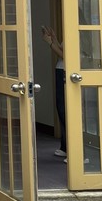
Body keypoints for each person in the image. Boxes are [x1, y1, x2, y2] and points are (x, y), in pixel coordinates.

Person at [42, 25, 67, 161]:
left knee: (65, 111)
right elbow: (63, 50)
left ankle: (73, 150)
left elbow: (65, 56)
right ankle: (65, 146)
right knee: (61, 109)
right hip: (60, 71)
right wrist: (54, 39)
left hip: (65, 72)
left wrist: (50, 43)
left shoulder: (77, 34)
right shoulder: (69, 32)